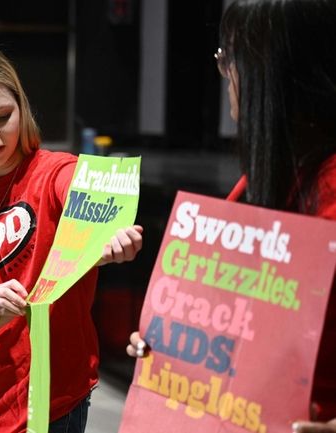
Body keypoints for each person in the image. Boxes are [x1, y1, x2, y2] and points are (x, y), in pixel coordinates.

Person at [127, 1, 336, 432]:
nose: (224, 74)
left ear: (274, 70)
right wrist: (173, 346)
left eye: (230, 57)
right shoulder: (268, 179)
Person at [0, 45, 144, 433]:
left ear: (20, 107)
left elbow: (95, 203)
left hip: (45, 412)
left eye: (2, 116)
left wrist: (108, 237)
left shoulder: (55, 173)